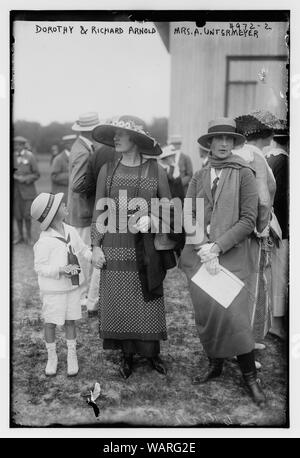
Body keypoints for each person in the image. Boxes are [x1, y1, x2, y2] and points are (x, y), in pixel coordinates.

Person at [179, 118, 266, 407]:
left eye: (229, 140)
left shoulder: (245, 174)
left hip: (233, 254)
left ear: (235, 144)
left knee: (234, 316)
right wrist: (202, 246)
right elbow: (188, 214)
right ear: (209, 144)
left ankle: (250, 376)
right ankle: (215, 363)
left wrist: (218, 246)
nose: (224, 144)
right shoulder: (199, 176)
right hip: (200, 255)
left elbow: (248, 219)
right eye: (219, 140)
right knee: (207, 312)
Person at [91, 115, 176, 379]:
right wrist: (95, 246)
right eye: (115, 134)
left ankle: (151, 353)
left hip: (146, 248)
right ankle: (126, 354)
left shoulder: (156, 170)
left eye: (121, 134)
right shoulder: (107, 170)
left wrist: (153, 219)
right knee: (119, 301)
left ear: (136, 139)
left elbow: (171, 209)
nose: (116, 138)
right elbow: (98, 211)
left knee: (147, 301)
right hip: (114, 247)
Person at [31, 192, 92, 377]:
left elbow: (83, 250)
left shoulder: (71, 231)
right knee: (50, 323)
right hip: (53, 291)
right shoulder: (44, 241)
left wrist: (95, 257)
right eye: (61, 204)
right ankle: (52, 356)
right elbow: (39, 267)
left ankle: (71, 354)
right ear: (53, 213)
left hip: (72, 288)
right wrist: (61, 270)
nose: (66, 204)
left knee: (70, 321)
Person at [235, 111, 278, 349]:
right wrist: (262, 229)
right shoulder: (256, 157)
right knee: (252, 283)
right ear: (266, 134)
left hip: (238, 227)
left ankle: (243, 339)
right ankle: (244, 341)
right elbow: (262, 199)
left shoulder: (240, 154)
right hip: (253, 230)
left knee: (241, 282)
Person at [67, 112, 102, 311]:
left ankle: (80, 295)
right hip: (82, 210)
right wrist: (98, 185)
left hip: (81, 209)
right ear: (92, 131)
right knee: (82, 255)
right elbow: (78, 184)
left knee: (81, 253)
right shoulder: (82, 151)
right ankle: (80, 296)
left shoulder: (83, 146)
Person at [265, 126, 289, 339]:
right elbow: (281, 198)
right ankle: (277, 323)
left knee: (273, 273)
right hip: (280, 226)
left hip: (272, 224)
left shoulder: (269, 158)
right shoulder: (283, 161)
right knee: (279, 274)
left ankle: (273, 319)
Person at [13, 136, 40, 245]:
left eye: (19, 144)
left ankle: (29, 236)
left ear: (24, 145)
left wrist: (25, 179)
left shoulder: (30, 157)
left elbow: (37, 174)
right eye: (15, 144)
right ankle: (20, 236)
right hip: (15, 192)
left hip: (28, 192)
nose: (17, 147)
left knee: (27, 215)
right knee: (17, 215)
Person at [51, 135, 76, 203]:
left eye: (73, 142)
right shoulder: (58, 159)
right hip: (63, 196)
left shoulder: (77, 157)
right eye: (68, 143)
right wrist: (73, 175)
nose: (71, 144)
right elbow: (54, 177)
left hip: (75, 196)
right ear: (64, 144)